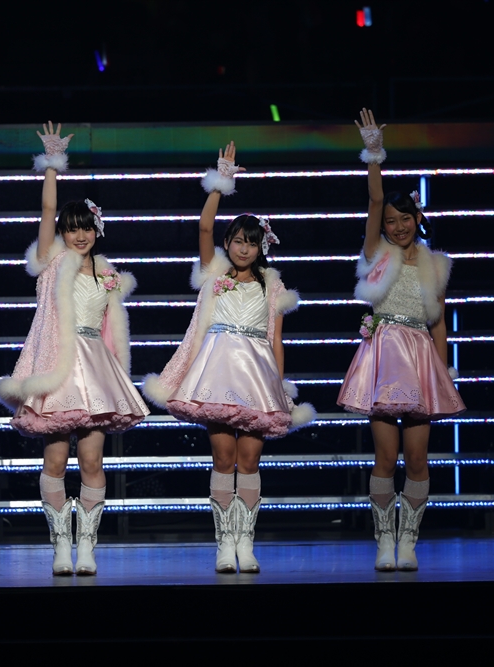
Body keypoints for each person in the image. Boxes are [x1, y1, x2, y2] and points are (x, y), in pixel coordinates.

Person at [143, 142, 315, 574]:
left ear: (261, 248)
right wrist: (221, 181)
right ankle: (224, 543)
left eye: (251, 243)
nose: (244, 249)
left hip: (257, 378)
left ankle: (246, 542)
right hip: (217, 376)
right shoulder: (215, 274)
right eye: (238, 241)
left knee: (250, 460)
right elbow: (203, 227)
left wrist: (280, 386)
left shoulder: (271, 286)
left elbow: (276, 341)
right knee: (223, 458)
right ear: (228, 243)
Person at [0, 122, 149, 576]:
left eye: (86, 228)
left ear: (97, 230)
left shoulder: (108, 274)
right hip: (59, 370)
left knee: (92, 459)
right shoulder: (53, 263)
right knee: (56, 458)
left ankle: (87, 547)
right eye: (71, 228)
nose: (79, 235)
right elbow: (47, 209)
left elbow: (113, 333)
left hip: (96, 373)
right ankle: (60, 544)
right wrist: (51, 165)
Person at [337, 108, 465, 571]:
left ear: (417, 217)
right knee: (385, 457)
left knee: (417, 459)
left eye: (404, 218)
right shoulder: (378, 255)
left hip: (421, 363)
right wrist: (374, 154)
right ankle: (383, 539)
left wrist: (443, 373)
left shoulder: (435, 264)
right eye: (391, 220)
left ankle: (408, 540)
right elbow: (374, 201)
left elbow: (438, 324)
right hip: (385, 358)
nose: (397, 225)